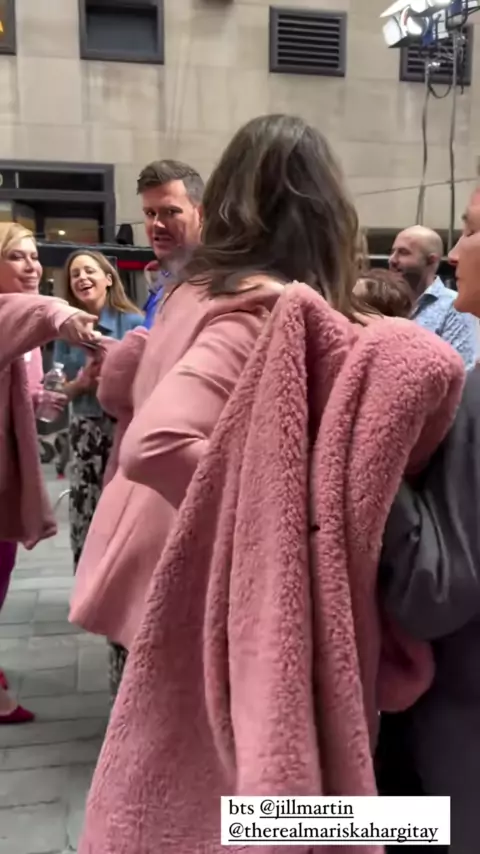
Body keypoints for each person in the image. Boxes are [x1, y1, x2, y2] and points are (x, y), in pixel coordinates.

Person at [70, 113, 370, 700]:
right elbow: (157, 443)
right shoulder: (257, 306)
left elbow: (127, 398)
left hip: (146, 554)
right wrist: (275, 516)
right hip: (190, 572)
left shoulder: (187, 289)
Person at [376, 188, 480, 854]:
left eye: (471, 231)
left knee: (265, 820)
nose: (459, 251)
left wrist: (371, 455)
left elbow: (435, 591)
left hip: (456, 760)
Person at [0, 221, 99, 724]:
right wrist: (67, 316)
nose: (32, 266)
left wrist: (55, 396)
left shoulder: (25, 337)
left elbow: (32, 400)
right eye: (17, 256)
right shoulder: (17, 314)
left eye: (35, 256)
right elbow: (37, 311)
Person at [54, 251, 144, 570]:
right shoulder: (66, 332)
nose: (82, 278)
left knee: (125, 512)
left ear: (108, 279)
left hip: (125, 430)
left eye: (89, 271)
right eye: (75, 274)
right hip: (84, 432)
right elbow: (57, 392)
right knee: (86, 513)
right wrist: (82, 382)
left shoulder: (134, 323)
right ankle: (88, 581)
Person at [389, 224, 478, 367]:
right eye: (392, 252)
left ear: (431, 260)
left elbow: (461, 368)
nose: (392, 260)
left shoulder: (455, 308)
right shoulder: (385, 301)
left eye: (403, 252)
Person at [138, 160, 204, 328]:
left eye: (170, 212)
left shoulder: (221, 286)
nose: (157, 224)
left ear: (201, 214)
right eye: (150, 213)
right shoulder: (163, 285)